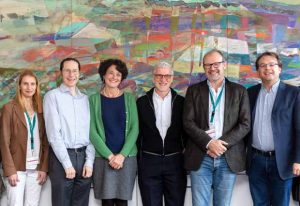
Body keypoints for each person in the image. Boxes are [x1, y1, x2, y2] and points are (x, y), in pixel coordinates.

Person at [183, 49, 251, 206]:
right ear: (204, 68)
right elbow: (188, 122)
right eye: (207, 65)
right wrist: (208, 142)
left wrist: (220, 145)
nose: (212, 68)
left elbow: (245, 123)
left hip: (228, 158)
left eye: (216, 64)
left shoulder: (239, 91)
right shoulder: (193, 91)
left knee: (223, 204)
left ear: (224, 65)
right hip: (201, 156)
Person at [246, 51, 300, 206]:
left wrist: (298, 159)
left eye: (271, 64)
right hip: (256, 160)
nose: (267, 68)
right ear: (258, 71)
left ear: (280, 69)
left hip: (282, 161)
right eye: (262, 65)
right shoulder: (251, 93)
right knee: (259, 203)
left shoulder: (294, 93)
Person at [43, 58, 95, 206]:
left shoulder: (85, 99)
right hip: (62, 158)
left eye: (75, 71)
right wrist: (67, 164)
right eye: (67, 70)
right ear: (61, 73)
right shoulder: (52, 97)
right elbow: (53, 135)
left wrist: (89, 162)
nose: (71, 74)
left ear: (79, 73)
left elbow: (91, 133)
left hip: (84, 157)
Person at [136, 62, 187, 206]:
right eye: (159, 75)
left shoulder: (182, 102)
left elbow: (188, 131)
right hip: (149, 162)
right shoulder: (141, 102)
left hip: (175, 162)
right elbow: (137, 134)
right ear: (153, 77)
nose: (163, 79)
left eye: (167, 76)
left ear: (172, 78)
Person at [89, 59, 138, 206]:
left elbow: (135, 129)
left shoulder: (129, 99)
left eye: (118, 74)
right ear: (103, 75)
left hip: (126, 159)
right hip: (103, 159)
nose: (114, 77)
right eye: (110, 73)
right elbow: (91, 132)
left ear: (122, 77)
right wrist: (110, 156)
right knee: (107, 201)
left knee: (123, 202)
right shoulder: (93, 100)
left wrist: (121, 156)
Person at [0, 70, 49, 206]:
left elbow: (46, 140)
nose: (29, 87)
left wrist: (44, 167)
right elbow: (3, 141)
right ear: (19, 86)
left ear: (36, 86)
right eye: (25, 84)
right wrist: (10, 171)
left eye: (33, 84)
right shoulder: (9, 108)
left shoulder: (41, 109)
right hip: (16, 168)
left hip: (36, 168)